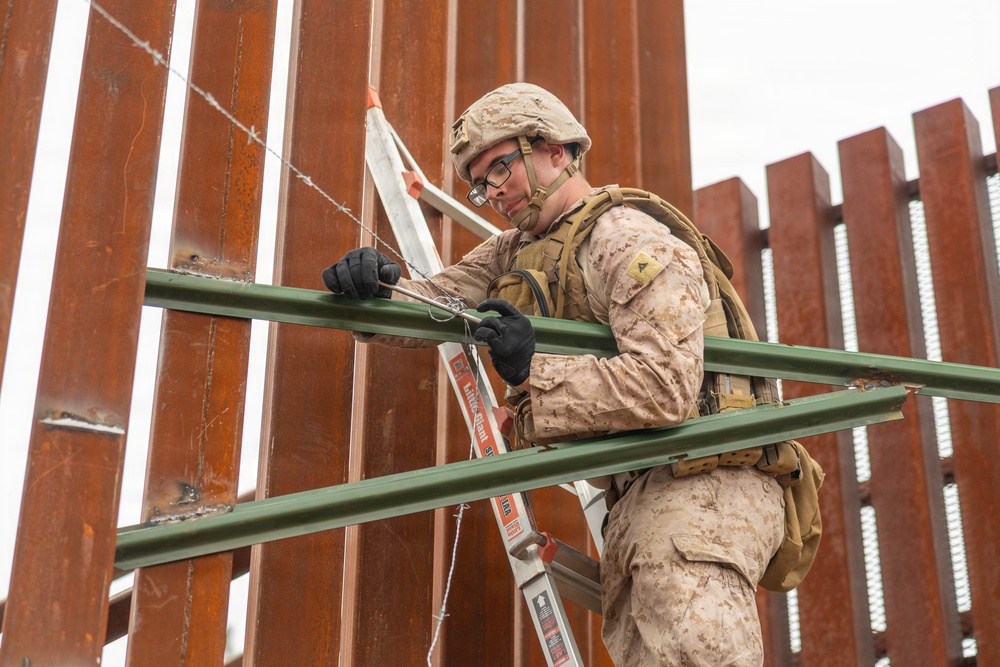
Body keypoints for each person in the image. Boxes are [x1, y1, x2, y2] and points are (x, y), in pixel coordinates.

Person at [323, 83, 785, 666]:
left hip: (702, 488)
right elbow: (435, 305)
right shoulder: (515, 252)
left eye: (500, 168)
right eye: (480, 181)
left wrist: (530, 373)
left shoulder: (626, 238)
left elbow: (667, 388)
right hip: (641, 498)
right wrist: (376, 288)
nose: (492, 193)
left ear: (555, 151)